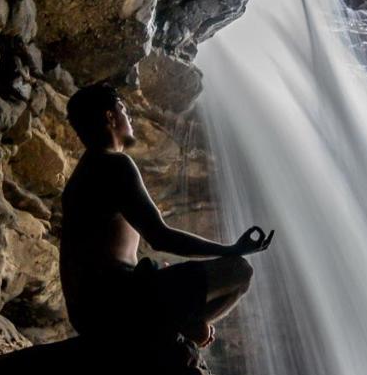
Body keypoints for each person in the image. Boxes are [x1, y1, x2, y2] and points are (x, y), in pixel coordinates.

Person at [59, 83, 274, 348]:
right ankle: (185, 328)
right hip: (115, 305)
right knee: (238, 270)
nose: (130, 117)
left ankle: (184, 327)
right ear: (109, 117)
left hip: (89, 311)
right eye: (123, 109)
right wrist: (231, 249)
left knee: (164, 272)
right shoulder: (113, 164)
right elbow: (160, 237)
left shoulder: (84, 174)